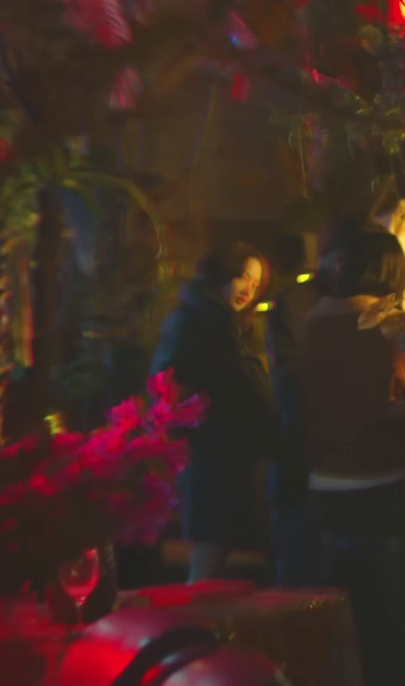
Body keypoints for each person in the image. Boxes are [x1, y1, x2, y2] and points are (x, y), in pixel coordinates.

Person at [295, 228, 405, 686]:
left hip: (323, 485)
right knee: (385, 626)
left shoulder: (311, 321)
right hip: (380, 484)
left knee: (338, 624)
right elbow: (404, 398)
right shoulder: (388, 324)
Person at [152, 242, 278, 584]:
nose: (248, 290)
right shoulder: (206, 321)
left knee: (213, 562)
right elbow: (178, 386)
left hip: (218, 453)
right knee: (207, 567)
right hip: (210, 454)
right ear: (222, 273)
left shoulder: (213, 318)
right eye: (243, 278)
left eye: (256, 284)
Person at [265, 219, 370, 586]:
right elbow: (299, 375)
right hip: (303, 449)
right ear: (341, 262)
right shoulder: (303, 303)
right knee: (300, 567)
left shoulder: (321, 302)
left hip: (320, 454)